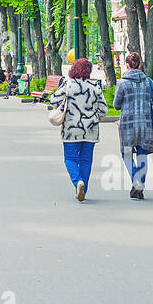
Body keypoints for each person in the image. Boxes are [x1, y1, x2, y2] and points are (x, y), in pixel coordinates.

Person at [51, 58, 108, 202]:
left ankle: (78, 182)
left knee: (70, 158)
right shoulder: (95, 87)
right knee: (86, 160)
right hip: (90, 130)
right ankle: (83, 189)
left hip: (71, 130)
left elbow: (53, 99)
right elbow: (104, 110)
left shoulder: (68, 85)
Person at [112, 51, 153, 200]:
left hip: (128, 125)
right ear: (139, 65)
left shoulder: (122, 83)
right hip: (146, 124)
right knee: (142, 155)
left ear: (127, 66)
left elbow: (116, 105)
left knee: (126, 154)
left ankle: (136, 180)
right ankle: (139, 185)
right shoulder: (148, 82)